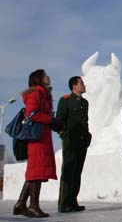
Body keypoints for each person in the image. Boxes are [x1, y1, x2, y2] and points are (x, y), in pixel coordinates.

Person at [14, 69, 61, 218]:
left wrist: (53, 123)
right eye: (45, 75)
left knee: (37, 172)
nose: (48, 76)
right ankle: (33, 206)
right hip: (36, 139)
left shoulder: (44, 94)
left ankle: (21, 204)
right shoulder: (35, 94)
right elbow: (32, 113)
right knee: (36, 172)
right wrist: (50, 120)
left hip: (42, 137)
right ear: (38, 79)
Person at [56, 76, 92, 213]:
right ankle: (64, 202)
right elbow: (59, 120)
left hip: (82, 141)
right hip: (70, 140)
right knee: (68, 171)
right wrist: (64, 135)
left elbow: (85, 121)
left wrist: (88, 135)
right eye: (81, 83)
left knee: (77, 172)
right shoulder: (65, 100)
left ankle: (72, 200)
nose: (84, 85)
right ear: (74, 86)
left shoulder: (85, 103)